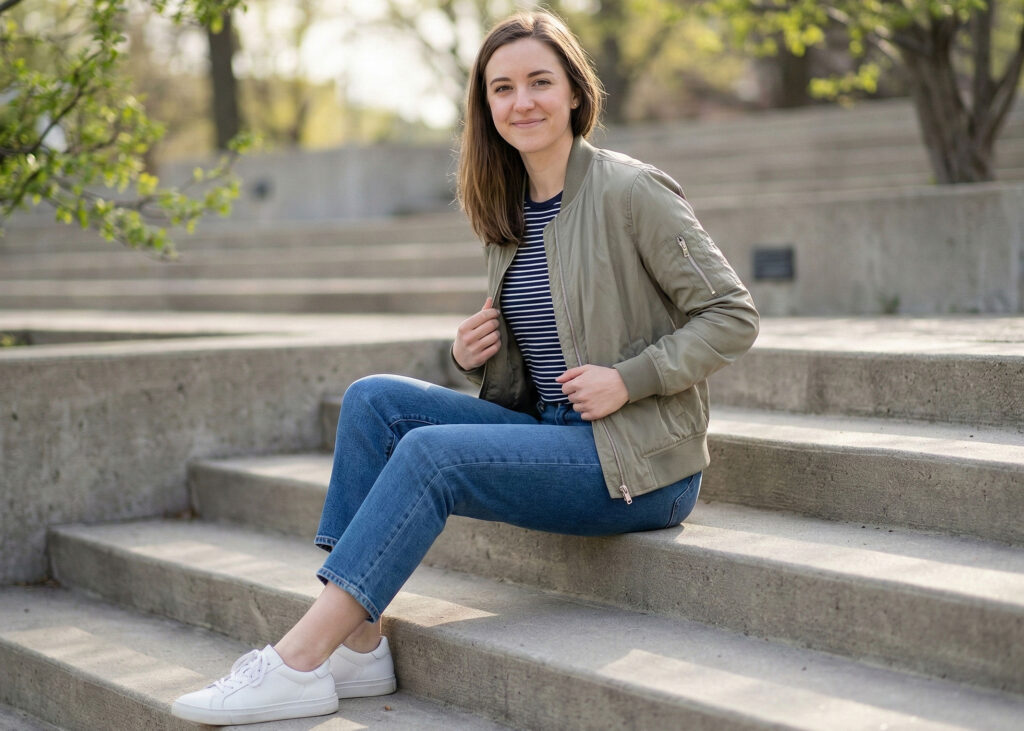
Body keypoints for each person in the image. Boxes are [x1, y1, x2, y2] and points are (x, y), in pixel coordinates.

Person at [171, 9, 758, 726]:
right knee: (372, 402)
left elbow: (733, 314)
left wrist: (629, 378)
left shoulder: (631, 192)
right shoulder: (508, 207)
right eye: (502, 88)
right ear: (486, 105)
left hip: (640, 464)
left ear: (575, 91)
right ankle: (358, 646)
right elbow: (547, 347)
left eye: (541, 81)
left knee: (429, 456)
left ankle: (297, 661)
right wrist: (473, 352)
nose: (523, 102)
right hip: (553, 431)